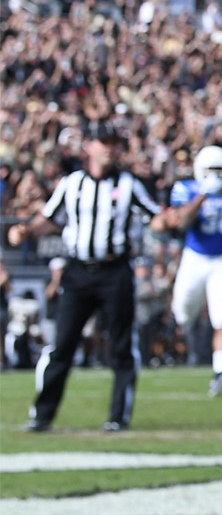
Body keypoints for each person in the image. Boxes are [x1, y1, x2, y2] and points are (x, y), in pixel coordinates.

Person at [10, 124, 187, 432]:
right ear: (89, 146)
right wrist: (24, 230)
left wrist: (168, 218)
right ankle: (43, 414)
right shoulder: (72, 183)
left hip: (114, 270)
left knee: (120, 345)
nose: (110, 149)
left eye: (115, 143)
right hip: (77, 271)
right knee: (62, 343)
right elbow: (49, 220)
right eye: (104, 142)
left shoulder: (128, 183)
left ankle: (118, 416)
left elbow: (153, 215)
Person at [168, 145, 222, 396]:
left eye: (219, 170)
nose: (215, 175)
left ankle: (221, 370)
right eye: (210, 170)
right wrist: (203, 196)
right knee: (182, 313)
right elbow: (180, 220)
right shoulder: (188, 189)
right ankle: (192, 347)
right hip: (195, 258)